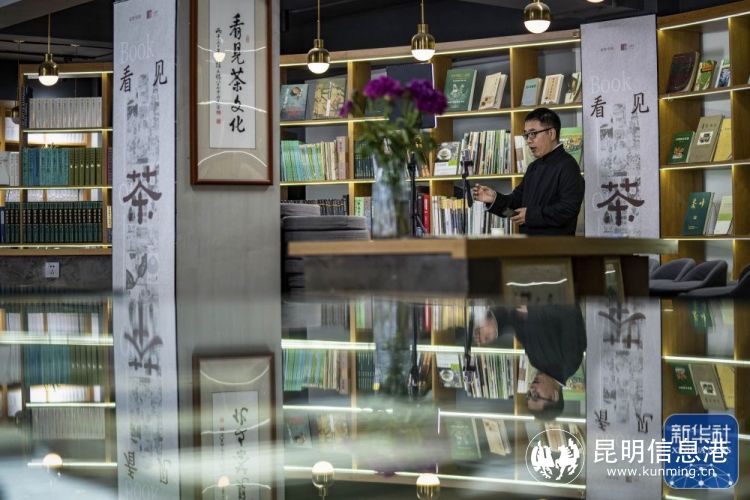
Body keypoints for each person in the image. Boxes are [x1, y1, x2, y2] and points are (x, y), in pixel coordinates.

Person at [471, 107, 584, 235]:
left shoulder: (568, 166)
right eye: (526, 135)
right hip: (527, 244)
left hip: (555, 246)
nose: (529, 140)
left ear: (551, 133)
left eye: (533, 133)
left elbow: (568, 210)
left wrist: (530, 215)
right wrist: (494, 199)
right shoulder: (533, 167)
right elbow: (515, 206)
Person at [474, 303, 586, 420]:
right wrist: (532, 311)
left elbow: (517, 323)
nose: (531, 389)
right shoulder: (571, 360)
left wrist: (494, 327)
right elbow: (570, 309)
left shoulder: (535, 362)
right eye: (536, 396)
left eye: (529, 395)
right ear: (554, 396)